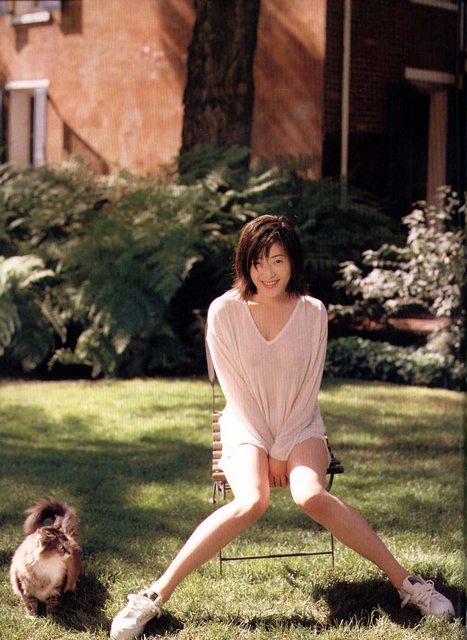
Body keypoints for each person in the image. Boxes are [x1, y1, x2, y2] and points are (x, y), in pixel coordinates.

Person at [110, 215, 455, 640]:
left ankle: (408, 584)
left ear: (293, 261)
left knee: (310, 495)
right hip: (246, 424)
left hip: (300, 421)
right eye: (258, 262)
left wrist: (284, 446)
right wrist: (267, 446)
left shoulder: (312, 312)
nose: (268, 273)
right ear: (245, 263)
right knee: (252, 501)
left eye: (277, 260)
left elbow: (309, 388)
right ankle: (153, 596)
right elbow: (235, 390)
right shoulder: (224, 311)